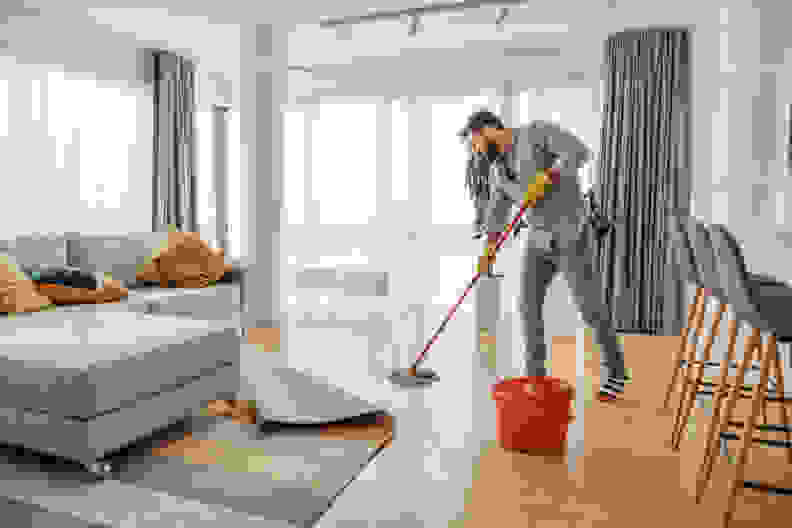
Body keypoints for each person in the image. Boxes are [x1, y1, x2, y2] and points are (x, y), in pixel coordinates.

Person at [459, 109, 629, 401]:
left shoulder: (535, 133)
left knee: (589, 309)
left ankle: (616, 371)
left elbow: (578, 152)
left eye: (476, 143)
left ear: (489, 129)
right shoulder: (499, 170)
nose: (476, 151)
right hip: (539, 241)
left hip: (572, 234)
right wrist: (487, 253)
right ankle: (536, 380)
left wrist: (551, 174)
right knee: (528, 308)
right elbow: (497, 216)